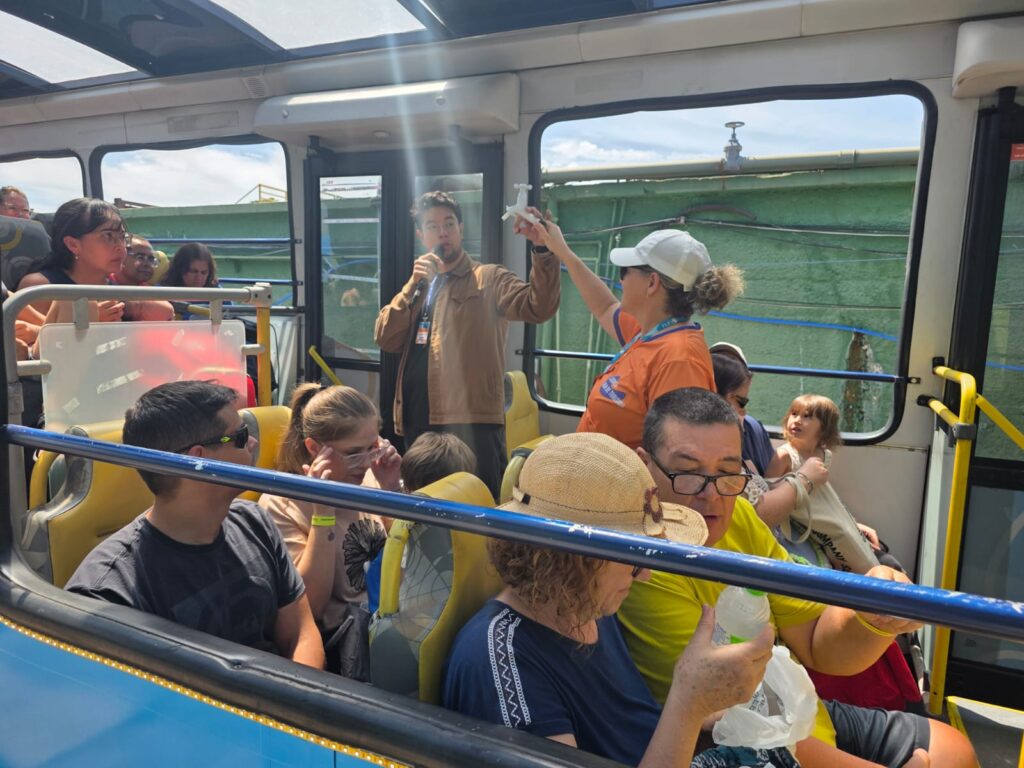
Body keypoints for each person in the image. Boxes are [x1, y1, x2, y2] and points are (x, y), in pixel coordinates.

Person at [619, 387, 976, 768]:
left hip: (798, 714)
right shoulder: (643, 568)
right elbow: (727, 723)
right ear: (645, 466)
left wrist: (873, 613)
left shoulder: (740, 518)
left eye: (726, 472)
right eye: (689, 472)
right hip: (739, 745)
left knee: (954, 750)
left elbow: (817, 643)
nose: (712, 494)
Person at [443, 431, 786, 768]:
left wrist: (701, 712)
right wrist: (688, 704)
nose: (645, 575)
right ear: (569, 557)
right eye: (633, 558)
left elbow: (631, 732)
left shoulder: (584, 604)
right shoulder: (500, 661)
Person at [65, 380, 324, 669]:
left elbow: (302, 633)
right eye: (240, 436)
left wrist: (295, 694)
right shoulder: (110, 591)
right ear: (198, 461)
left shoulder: (255, 522)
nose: (253, 443)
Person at [374, 191, 560, 497]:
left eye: (449, 224)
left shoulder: (488, 278)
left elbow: (538, 307)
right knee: (423, 505)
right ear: (421, 235)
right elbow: (385, 338)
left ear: (461, 229)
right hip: (417, 420)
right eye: (432, 226)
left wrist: (542, 250)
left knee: (475, 505)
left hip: (472, 424)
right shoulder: (418, 287)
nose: (442, 232)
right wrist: (411, 286)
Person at [515, 208, 742, 450]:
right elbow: (604, 307)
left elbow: (676, 454)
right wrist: (560, 250)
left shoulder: (679, 360)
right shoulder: (650, 331)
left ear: (652, 282)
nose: (620, 279)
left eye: (625, 271)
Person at [258, 383, 400, 679]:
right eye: (353, 453)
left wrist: (391, 491)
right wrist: (323, 514)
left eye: (372, 448)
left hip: (387, 626)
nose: (366, 462)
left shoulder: (368, 479)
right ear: (314, 448)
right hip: (345, 649)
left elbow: (400, 556)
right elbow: (310, 608)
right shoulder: (281, 505)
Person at [16, 198, 173, 321]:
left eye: (122, 237)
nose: (120, 247)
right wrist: (90, 322)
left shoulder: (116, 292)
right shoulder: (41, 289)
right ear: (73, 244)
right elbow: (30, 346)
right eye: (108, 236)